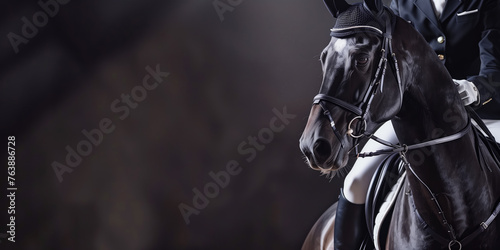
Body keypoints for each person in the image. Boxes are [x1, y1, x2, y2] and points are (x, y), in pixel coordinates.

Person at [333, 0, 500, 248]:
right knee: (355, 181)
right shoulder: (401, 3)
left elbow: (496, 66)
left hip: (482, 114)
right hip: (418, 120)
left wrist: (475, 89)